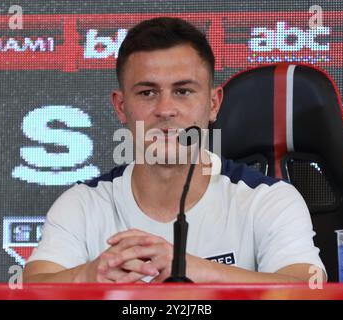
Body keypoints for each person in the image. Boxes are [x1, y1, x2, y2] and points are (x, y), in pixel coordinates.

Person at [23, 17, 326, 283]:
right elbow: (30, 287)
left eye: (183, 91)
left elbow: (307, 287)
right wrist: (88, 276)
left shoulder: (268, 199)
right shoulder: (82, 204)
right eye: (147, 92)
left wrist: (192, 270)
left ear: (213, 103)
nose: (165, 109)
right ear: (120, 106)